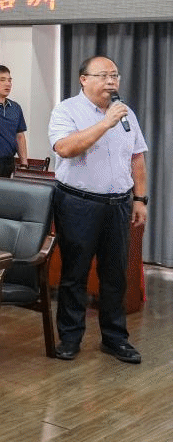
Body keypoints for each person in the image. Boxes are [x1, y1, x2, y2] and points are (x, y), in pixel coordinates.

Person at [48, 56, 147, 364]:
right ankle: (70, 338)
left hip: (119, 205)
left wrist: (140, 199)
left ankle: (115, 339)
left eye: (114, 76)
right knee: (75, 273)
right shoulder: (66, 110)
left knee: (115, 275)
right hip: (78, 203)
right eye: (103, 75)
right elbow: (65, 148)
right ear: (83, 79)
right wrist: (106, 123)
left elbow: (137, 157)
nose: (111, 81)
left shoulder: (126, 113)